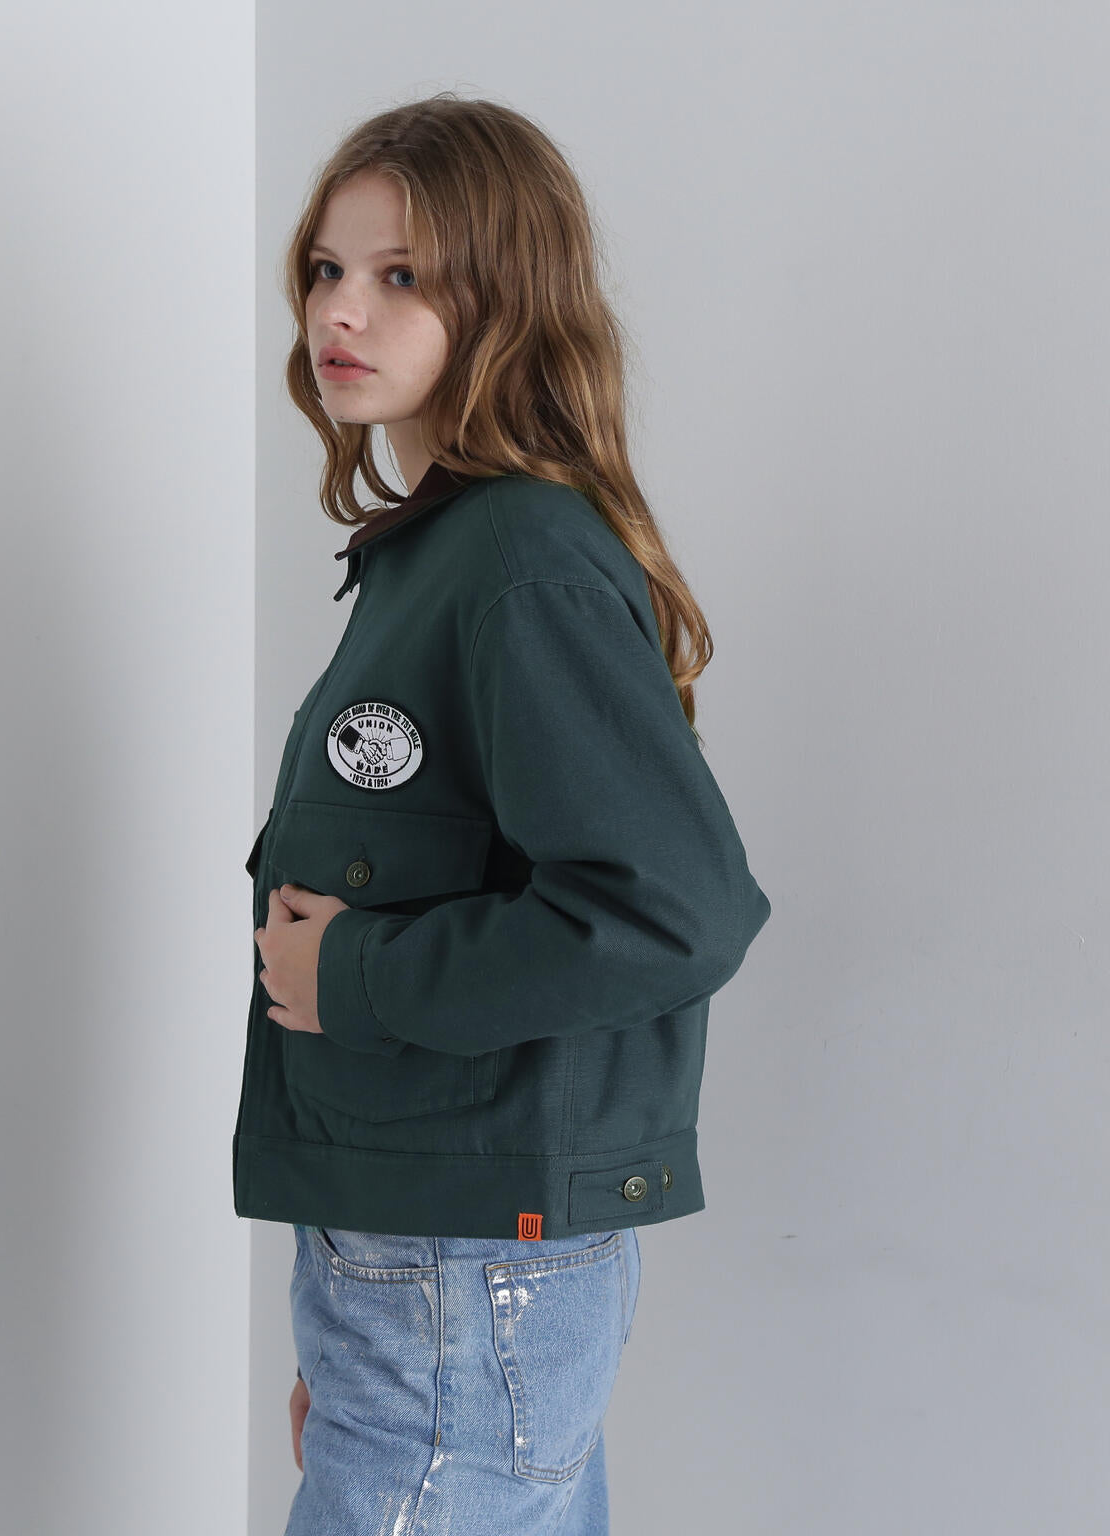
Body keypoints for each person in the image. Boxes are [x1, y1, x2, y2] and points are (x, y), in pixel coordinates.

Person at [238, 91, 772, 1536]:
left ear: (508, 300)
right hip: (429, 1260)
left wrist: (352, 974)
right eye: (327, 268)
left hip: (465, 1268)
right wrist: (356, 1330)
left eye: (402, 275)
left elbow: (674, 911)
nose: (342, 309)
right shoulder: (440, 554)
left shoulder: (519, 560)